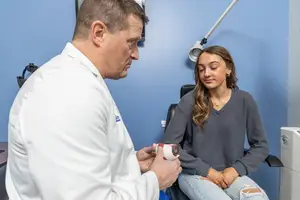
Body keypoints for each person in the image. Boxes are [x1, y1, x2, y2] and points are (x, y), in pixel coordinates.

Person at [5, 0, 182, 199]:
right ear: (99, 33)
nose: (136, 54)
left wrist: (129, 163)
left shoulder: (81, 80)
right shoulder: (67, 92)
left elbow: (84, 169)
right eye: (131, 42)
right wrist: (155, 180)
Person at [163, 45, 270, 200]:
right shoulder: (188, 101)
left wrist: (235, 170)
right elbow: (169, 146)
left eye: (213, 67)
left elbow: (261, 146)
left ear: (228, 69)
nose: (206, 73)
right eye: (201, 69)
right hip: (195, 174)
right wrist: (207, 171)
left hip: (230, 175)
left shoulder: (245, 100)